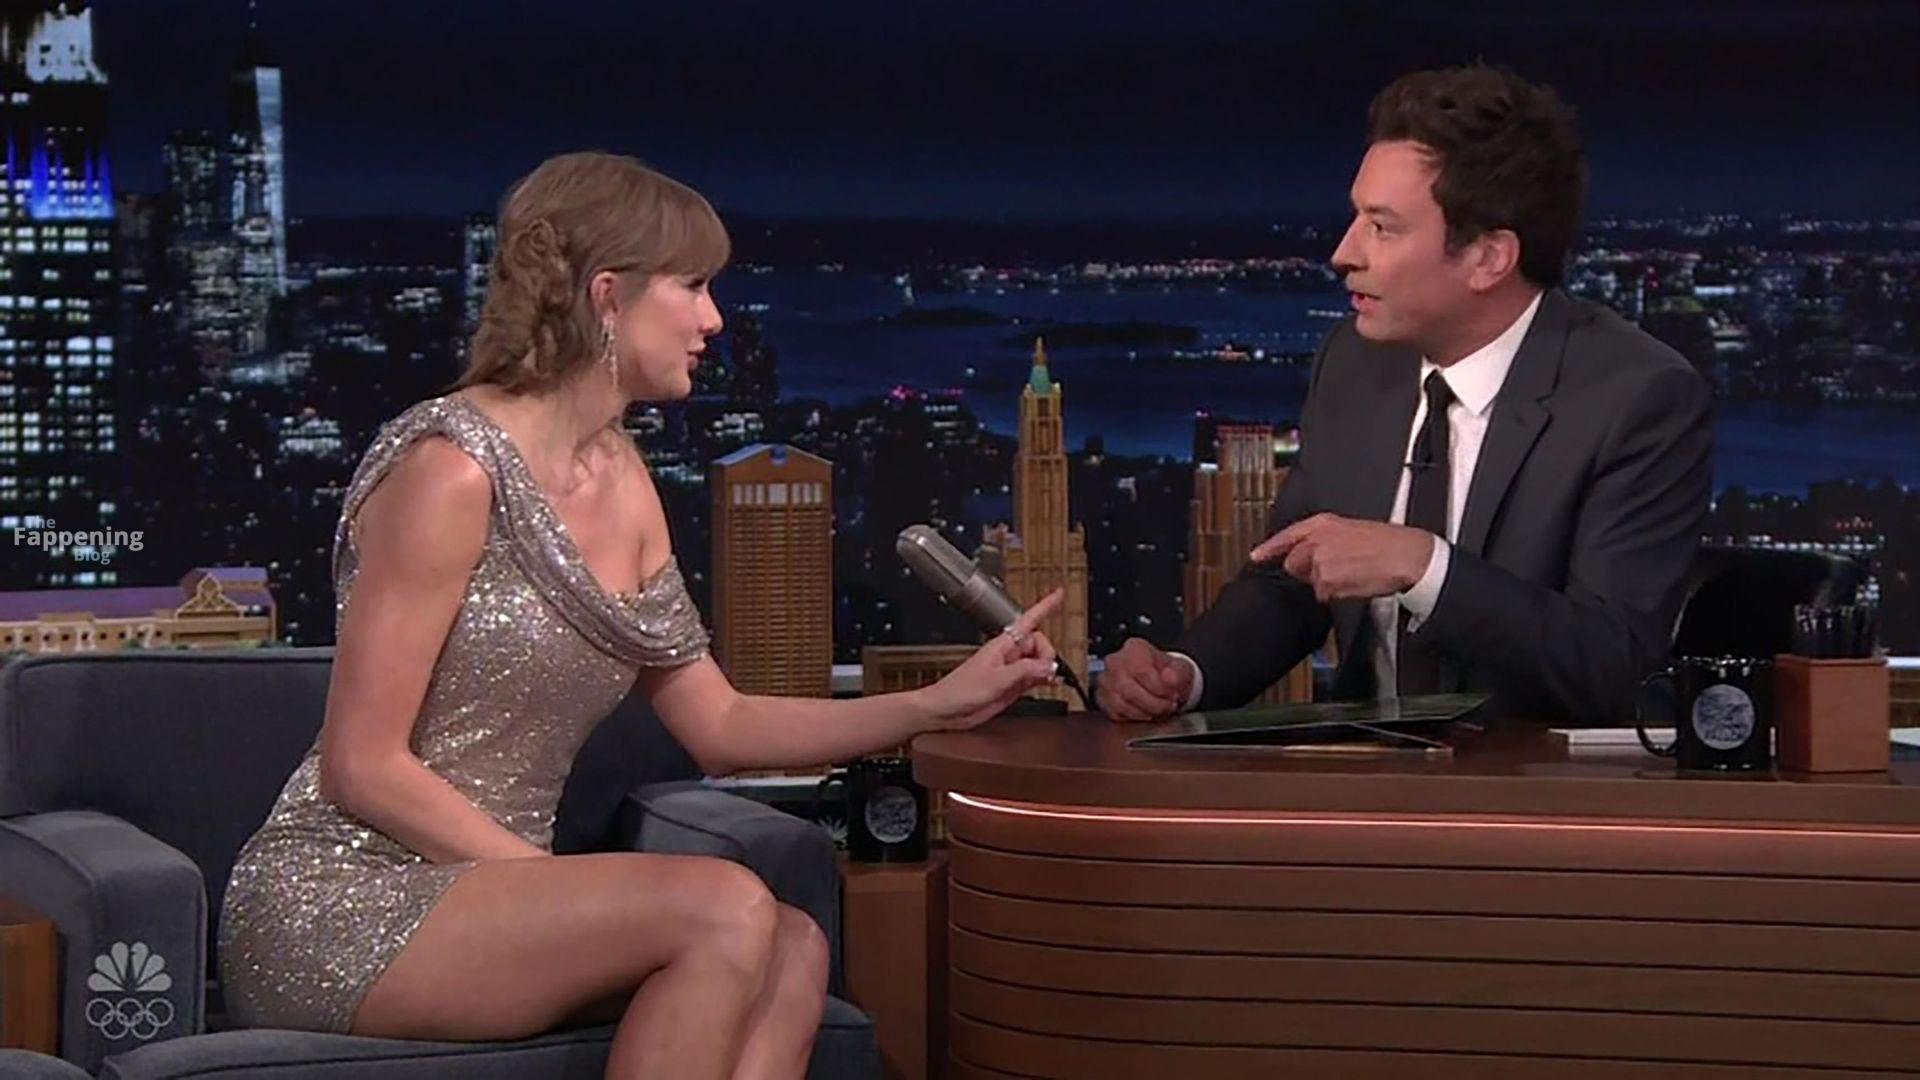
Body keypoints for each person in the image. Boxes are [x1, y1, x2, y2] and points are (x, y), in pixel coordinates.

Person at [219, 151, 1062, 1080]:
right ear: (608, 297)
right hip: (347, 899)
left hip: (504, 896)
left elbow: (720, 725)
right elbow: (362, 765)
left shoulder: (624, 481)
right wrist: (557, 888)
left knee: (795, 949)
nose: (714, 319)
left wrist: (936, 703)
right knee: (726, 910)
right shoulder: (450, 470)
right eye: (693, 286)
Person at [1098, 64, 1711, 726]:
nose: (1344, 253)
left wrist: (1424, 568)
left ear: (1488, 258)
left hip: (1535, 780)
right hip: (1369, 770)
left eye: (1382, 227)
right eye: (1355, 218)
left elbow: (1612, 663)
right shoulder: (1355, 361)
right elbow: (1291, 581)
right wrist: (1184, 674)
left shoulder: (1638, 398)